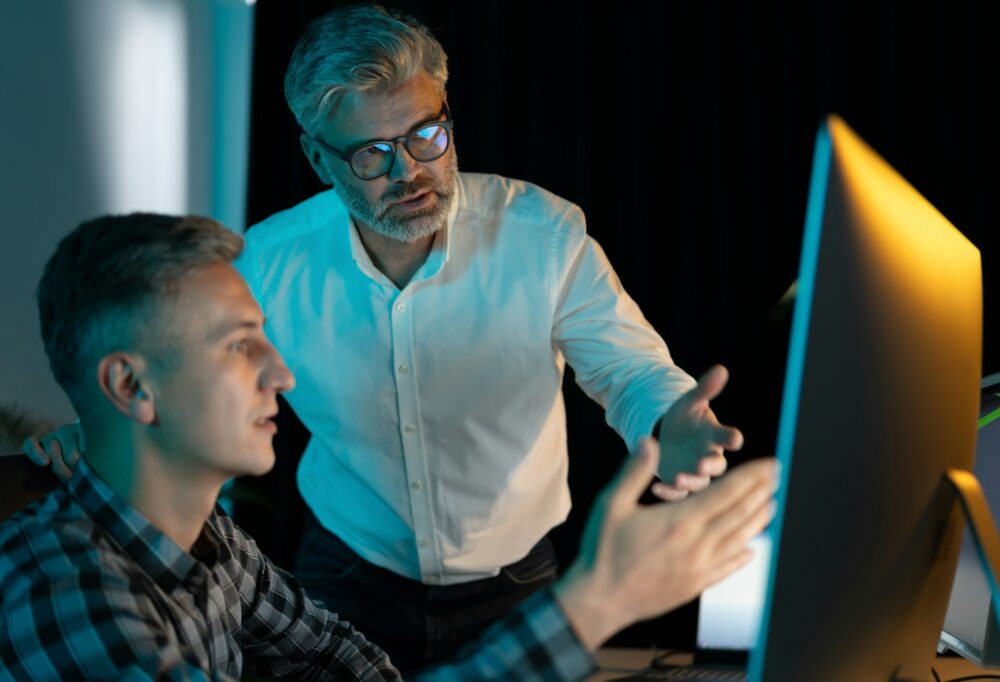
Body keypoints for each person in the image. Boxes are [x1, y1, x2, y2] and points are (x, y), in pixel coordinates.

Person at [26, 4, 748, 670]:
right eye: (372, 153)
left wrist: (671, 420)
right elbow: (180, 358)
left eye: (426, 135)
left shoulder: (543, 236)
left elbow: (627, 371)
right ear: (318, 158)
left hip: (517, 577)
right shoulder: (266, 263)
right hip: (347, 575)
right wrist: (99, 434)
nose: (410, 171)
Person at [3, 212, 777, 680]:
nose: (284, 373)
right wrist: (599, 601)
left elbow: (358, 669)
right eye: (243, 345)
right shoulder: (64, 589)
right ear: (131, 388)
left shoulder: (217, 549)